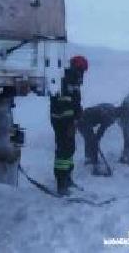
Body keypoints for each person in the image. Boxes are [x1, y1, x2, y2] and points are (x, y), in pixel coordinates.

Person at [50, 55, 87, 195]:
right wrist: (70, 122)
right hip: (62, 121)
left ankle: (68, 178)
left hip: (70, 121)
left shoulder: (75, 81)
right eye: (81, 70)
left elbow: (75, 101)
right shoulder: (64, 79)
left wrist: (79, 112)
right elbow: (63, 103)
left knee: (70, 148)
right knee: (63, 150)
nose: (82, 73)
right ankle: (61, 184)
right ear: (75, 67)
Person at [78, 103, 120, 175]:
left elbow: (101, 129)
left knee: (90, 140)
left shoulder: (110, 108)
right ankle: (95, 167)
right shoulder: (110, 116)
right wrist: (96, 139)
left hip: (86, 118)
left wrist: (97, 138)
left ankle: (89, 158)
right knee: (92, 142)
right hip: (83, 120)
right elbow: (102, 129)